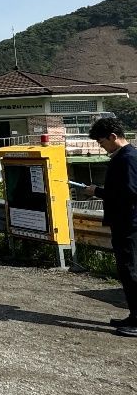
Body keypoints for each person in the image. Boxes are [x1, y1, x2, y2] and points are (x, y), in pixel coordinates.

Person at [85, 118, 137, 336]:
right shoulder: (125, 156)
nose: (101, 146)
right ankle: (133, 315)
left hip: (129, 224)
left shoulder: (127, 158)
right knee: (127, 270)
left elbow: (129, 193)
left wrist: (98, 191)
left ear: (113, 137)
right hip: (125, 222)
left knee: (131, 270)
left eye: (102, 142)